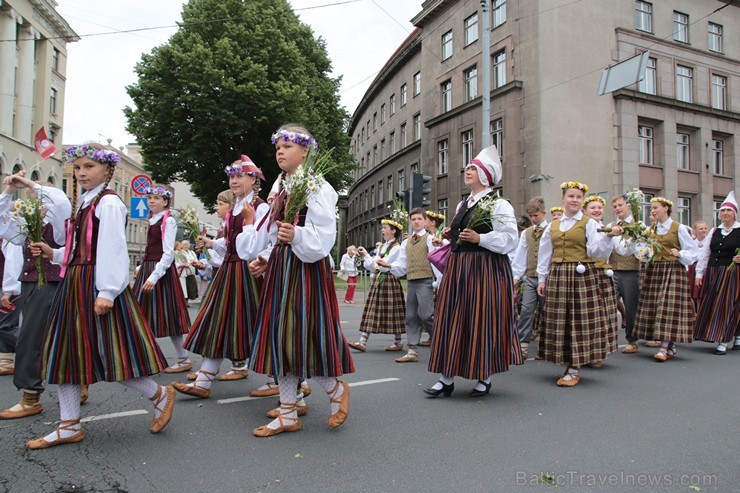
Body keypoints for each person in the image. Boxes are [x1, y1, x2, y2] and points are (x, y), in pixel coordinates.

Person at [26, 143, 174, 449]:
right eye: (78, 167)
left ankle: (159, 394)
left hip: (94, 285)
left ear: (108, 170)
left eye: (88, 167)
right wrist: (53, 252)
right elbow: (80, 248)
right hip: (75, 283)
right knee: (65, 353)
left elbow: (113, 249)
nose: (81, 173)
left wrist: (107, 291)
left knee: (110, 354)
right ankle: (68, 425)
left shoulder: (108, 203)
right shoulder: (84, 202)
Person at [248, 124, 353, 436]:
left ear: (305, 150)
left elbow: (324, 237)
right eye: (278, 146)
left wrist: (297, 235)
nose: (280, 151)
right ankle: (289, 412)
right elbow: (274, 231)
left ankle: (335, 390)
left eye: (288, 146)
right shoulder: (281, 185)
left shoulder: (317, 185)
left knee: (300, 337)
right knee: (281, 338)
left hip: (305, 269)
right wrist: (266, 256)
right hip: (283, 267)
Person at [424, 146, 522, 397]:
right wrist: (447, 237)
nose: (468, 171)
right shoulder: (462, 204)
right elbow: (462, 236)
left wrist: (481, 238)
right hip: (458, 269)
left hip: (484, 270)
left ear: (486, 174)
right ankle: (446, 377)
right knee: (451, 319)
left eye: (473, 168)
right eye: (468, 167)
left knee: (481, 320)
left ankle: (484, 376)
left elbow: (510, 239)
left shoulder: (498, 204)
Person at [174, 156, 269, 399]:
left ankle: (287, 382)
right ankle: (204, 383)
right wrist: (213, 243)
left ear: (253, 178)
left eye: (240, 175)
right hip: (229, 271)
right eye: (232, 176)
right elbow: (230, 245)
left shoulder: (261, 207)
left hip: (249, 274)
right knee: (219, 323)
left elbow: (261, 244)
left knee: (259, 326)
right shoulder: (236, 208)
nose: (234, 180)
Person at [0, 173, 70, 420]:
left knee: (35, 338)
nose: (34, 203)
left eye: (38, 198)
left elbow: (61, 202)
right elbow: (3, 226)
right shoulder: (28, 224)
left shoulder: (59, 222)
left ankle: (31, 394)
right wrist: (9, 192)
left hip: (52, 281)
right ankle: (34, 394)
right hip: (31, 281)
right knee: (36, 338)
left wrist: (31, 184)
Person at [536, 181, 620, 386]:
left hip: (581, 276)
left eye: (578, 197)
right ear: (563, 198)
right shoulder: (553, 226)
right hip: (558, 275)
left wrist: (608, 236)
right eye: (571, 196)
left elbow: (596, 251)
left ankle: (574, 367)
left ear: (582, 201)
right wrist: (541, 278)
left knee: (578, 320)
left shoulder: (589, 223)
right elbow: (545, 252)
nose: (574, 200)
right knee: (560, 319)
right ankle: (566, 358)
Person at [131, 186, 193, 374]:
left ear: (165, 202)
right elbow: (151, 250)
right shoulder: (153, 220)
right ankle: (144, 358)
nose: (151, 201)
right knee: (141, 314)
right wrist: (141, 269)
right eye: (150, 197)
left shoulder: (169, 220)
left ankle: (183, 359)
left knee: (168, 316)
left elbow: (168, 254)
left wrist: (153, 276)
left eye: (156, 198)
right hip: (150, 268)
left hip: (160, 272)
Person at [633, 197, 697, 361]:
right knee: (656, 307)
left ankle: (663, 348)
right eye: (652, 207)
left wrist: (680, 253)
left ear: (666, 209)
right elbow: (646, 251)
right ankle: (669, 344)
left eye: (656, 207)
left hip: (673, 270)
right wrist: (644, 255)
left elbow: (693, 250)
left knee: (666, 307)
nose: (653, 210)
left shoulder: (679, 228)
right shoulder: (651, 229)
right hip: (655, 270)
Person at [347, 219, 406, 353]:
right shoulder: (381, 247)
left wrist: (367, 255)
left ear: (393, 231)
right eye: (382, 228)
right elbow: (372, 266)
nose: (382, 230)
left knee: (393, 312)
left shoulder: (397, 247)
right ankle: (362, 341)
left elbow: (380, 265)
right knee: (372, 310)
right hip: (379, 281)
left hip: (389, 280)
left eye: (385, 228)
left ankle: (398, 341)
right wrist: (365, 256)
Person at [387, 207, 437, 363]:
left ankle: (440, 342)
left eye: (419, 219)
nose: (416, 222)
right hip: (412, 281)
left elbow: (438, 260)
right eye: (413, 219)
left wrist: (440, 280)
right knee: (411, 316)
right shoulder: (406, 243)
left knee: (426, 314)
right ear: (410, 222)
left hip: (426, 280)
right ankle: (412, 350)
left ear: (425, 221)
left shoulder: (430, 239)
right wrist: (388, 266)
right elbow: (401, 264)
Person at [693, 192, 740, 355]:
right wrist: (699, 274)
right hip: (713, 272)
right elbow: (705, 253)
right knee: (714, 304)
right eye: (723, 210)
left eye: (729, 210)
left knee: (725, 305)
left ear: (735, 213)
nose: (725, 213)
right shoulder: (714, 231)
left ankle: (722, 340)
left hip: (731, 273)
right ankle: (736, 334)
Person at [582, 195, 618, 367]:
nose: (596, 210)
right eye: (592, 208)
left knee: (603, 315)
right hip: (587, 273)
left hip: (603, 274)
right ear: (585, 211)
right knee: (588, 315)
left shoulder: (605, 228)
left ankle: (598, 352)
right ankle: (584, 352)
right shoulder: (583, 227)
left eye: (599, 208)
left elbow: (618, 250)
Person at [511, 196, 547, 360]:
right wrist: (516, 276)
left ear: (544, 213)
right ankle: (523, 345)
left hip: (547, 278)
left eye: (536, 216)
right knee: (526, 310)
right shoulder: (526, 233)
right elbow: (520, 255)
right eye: (531, 216)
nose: (533, 219)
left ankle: (547, 345)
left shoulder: (551, 230)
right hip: (531, 277)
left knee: (547, 312)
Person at [687, 220, 709, 308]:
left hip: (705, 269)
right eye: (701, 229)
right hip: (693, 269)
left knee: (702, 293)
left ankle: (701, 311)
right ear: (695, 230)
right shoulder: (692, 241)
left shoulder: (709, 241)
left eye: (705, 228)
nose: (704, 230)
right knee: (692, 292)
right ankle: (694, 312)